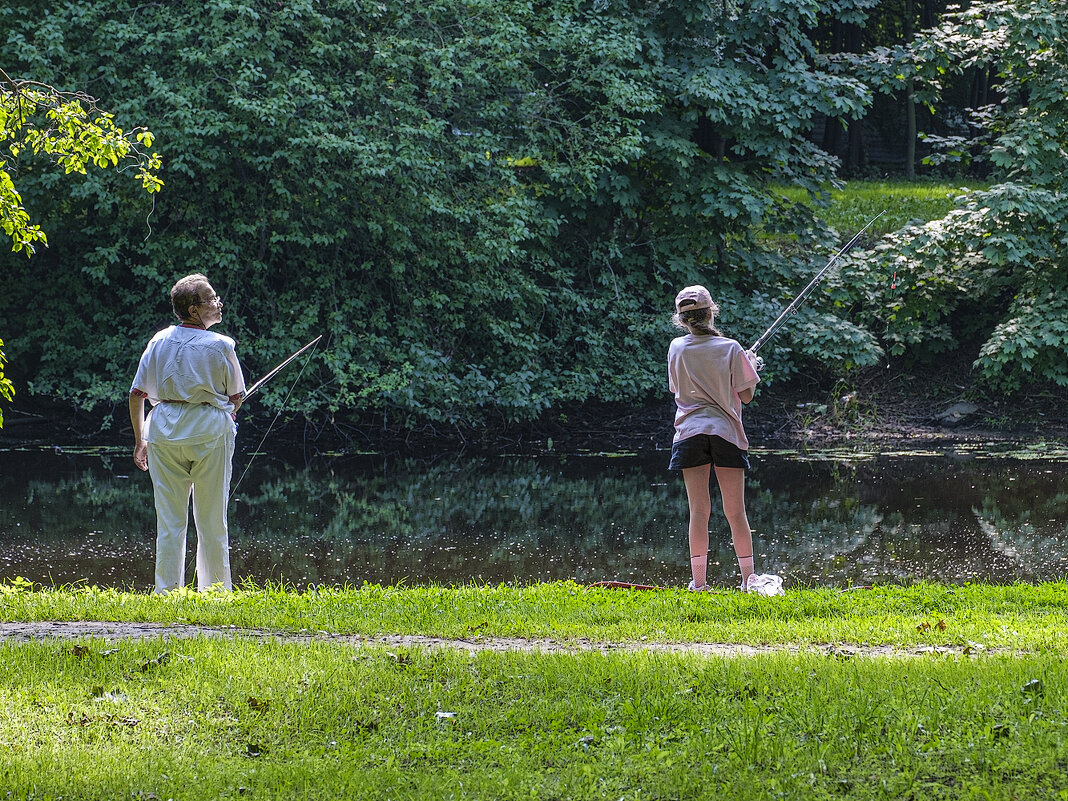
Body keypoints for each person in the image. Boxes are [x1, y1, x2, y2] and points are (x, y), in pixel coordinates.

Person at [129, 274, 246, 593]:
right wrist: (230, 409)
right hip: (210, 431)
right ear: (194, 309)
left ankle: (166, 591)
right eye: (212, 299)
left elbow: (137, 394)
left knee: (169, 522)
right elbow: (236, 397)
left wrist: (141, 440)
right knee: (211, 519)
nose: (218, 303)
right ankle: (217, 592)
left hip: (163, 431)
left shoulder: (158, 340)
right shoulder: (222, 345)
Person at [667, 285, 782, 595]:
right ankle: (748, 579)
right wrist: (750, 364)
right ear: (711, 312)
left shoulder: (675, 348)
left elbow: (677, 388)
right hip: (725, 433)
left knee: (699, 512)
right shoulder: (731, 348)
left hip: (689, 434)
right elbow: (745, 396)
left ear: (682, 320)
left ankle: (700, 583)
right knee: (735, 511)